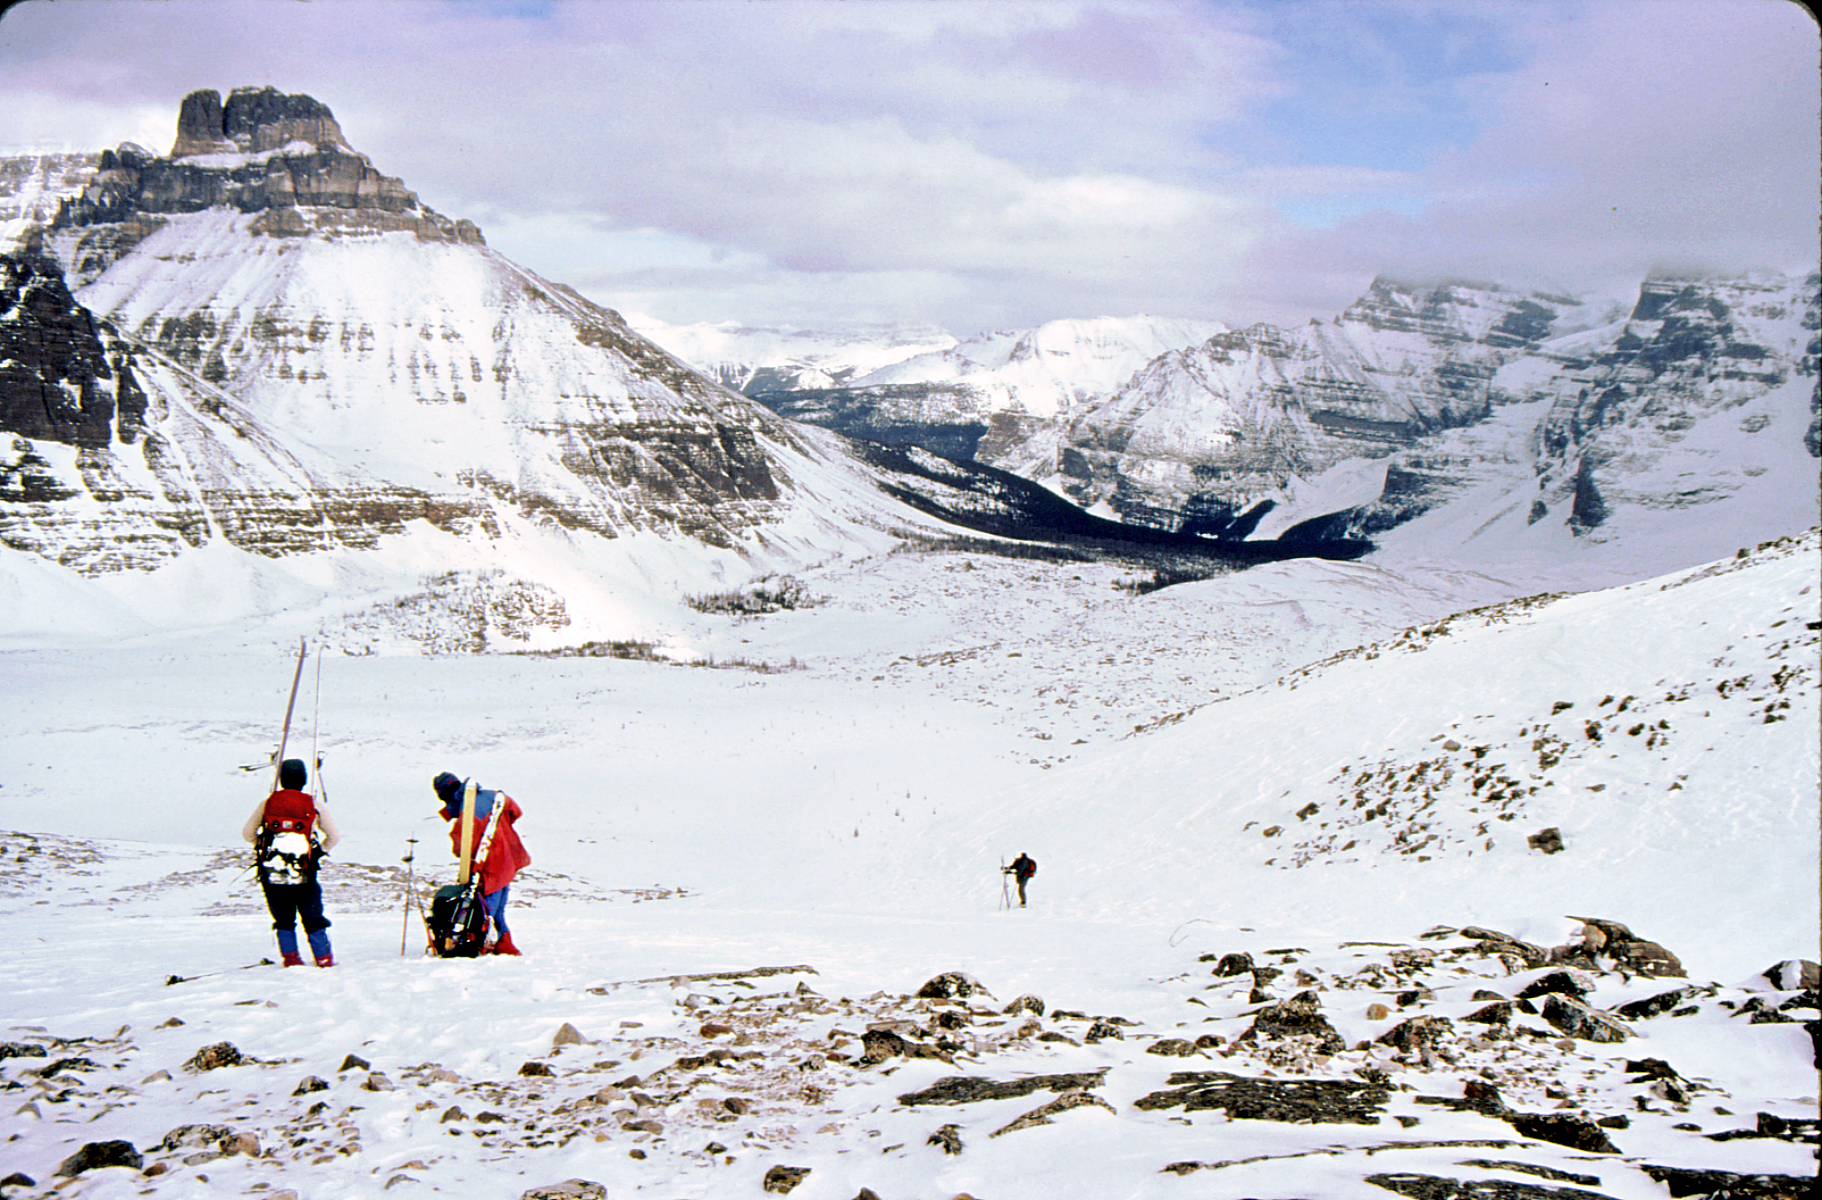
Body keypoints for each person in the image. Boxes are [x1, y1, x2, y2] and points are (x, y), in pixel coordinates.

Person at [242, 757, 339, 967]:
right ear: (303, 779)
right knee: (312, 915)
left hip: (273, 869)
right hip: (304, 869)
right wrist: (317, 852)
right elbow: (334, 837)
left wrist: (264, 846)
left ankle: (291, 958)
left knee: (283, 918)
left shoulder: (268, 803)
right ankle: (323, 957)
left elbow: (248, 833)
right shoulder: (313, 804)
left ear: (282, 778)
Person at [432, 771, 531, 956]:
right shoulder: (493, 796)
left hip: (490, 866)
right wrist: (502, 832)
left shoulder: (468, 810)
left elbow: (461, 848)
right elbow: (515, 811)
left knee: (486, 911)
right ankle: (504, 945)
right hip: (508, 860)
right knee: (498, 909)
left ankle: (485, 945)